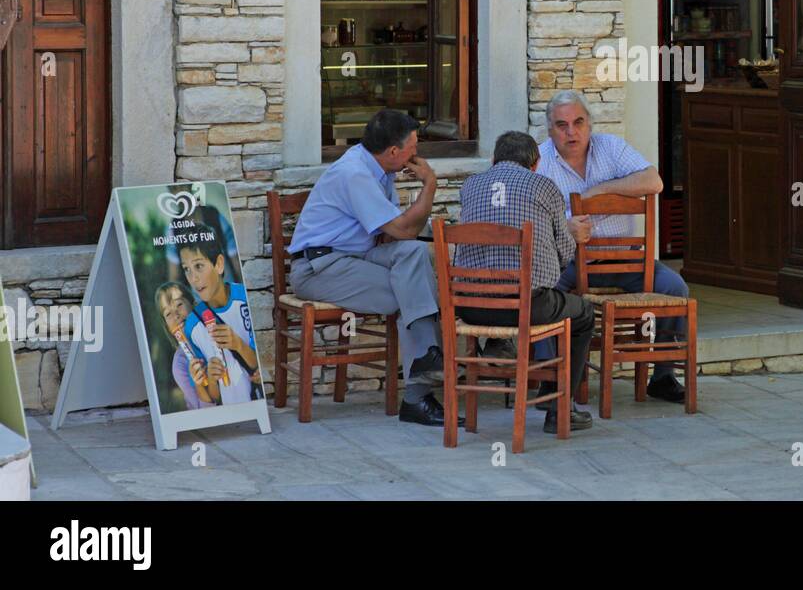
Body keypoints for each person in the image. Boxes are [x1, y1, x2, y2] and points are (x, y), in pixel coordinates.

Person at [287, 109, 461, 428]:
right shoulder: (356, 174)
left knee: (414, 256)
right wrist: (430, 185)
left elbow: (397, 235)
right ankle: (419, 391)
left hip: (355, 257)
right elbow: (404, 229)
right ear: (394, 152)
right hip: (318, 267)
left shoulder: (381, 171)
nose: (416, 154)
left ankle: (426, 363)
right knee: (411, 287)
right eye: (412, 147)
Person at [536, 90, 690, 404]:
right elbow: (530, 220)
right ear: (550, 129)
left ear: (589, 124)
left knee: (676, 289)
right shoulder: (541, 162)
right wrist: (565, 227)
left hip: (626, 262)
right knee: (538, 292)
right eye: (561, 125)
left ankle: (662, 376)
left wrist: (600, 190)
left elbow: (654, 182)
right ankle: (549, 379)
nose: (571, 131)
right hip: (570, 262)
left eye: (578, 122)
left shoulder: (611, 147)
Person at [454, 132, 596, 433]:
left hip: (470, 307)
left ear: (493, 160)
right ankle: (559, 408)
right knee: (582, 313)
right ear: (535, 164)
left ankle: (499, 344)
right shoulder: (544, 186)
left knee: (533, 298)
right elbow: (563, 251)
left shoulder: (469, 186)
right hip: (526, 305)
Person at [177, 230, 263, 404]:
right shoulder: (192, 325)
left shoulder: (244, 298)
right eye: (186, 269)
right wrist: (208, 376)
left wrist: (238, 344)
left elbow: (258, 365)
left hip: (255, 405)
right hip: (227, 413)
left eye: (199, 266)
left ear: (219, 264)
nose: (193, 278)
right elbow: (213, 397)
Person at [154, 282, 217, 410]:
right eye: (168, 314)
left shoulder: (214, 330)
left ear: (193, 304)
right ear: (166, 326)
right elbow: (203, 413)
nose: (176, 315)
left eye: (179, 304)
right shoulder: (180, 364)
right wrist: (199, 384)